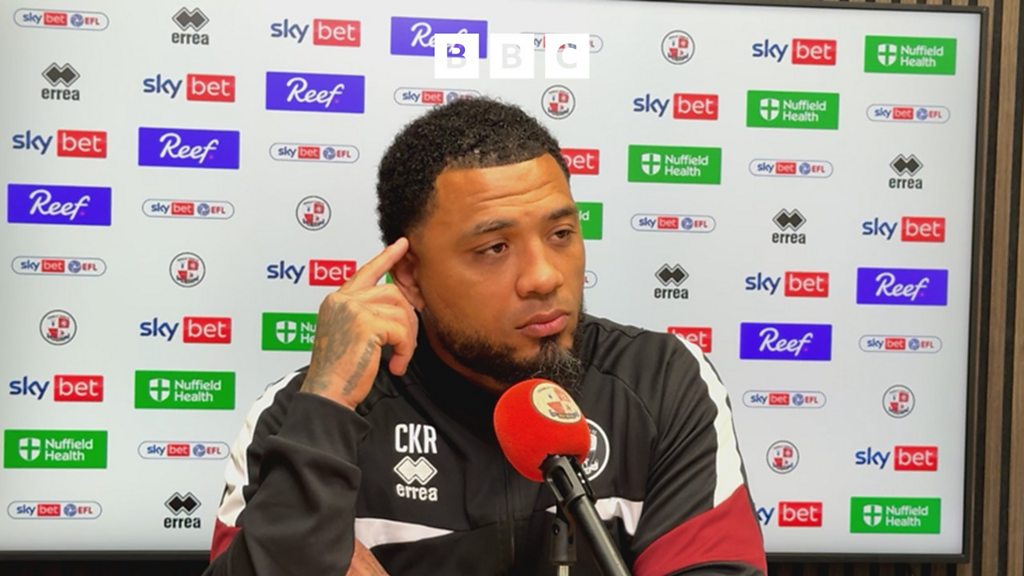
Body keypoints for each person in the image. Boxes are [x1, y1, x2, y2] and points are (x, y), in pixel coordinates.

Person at [204, 97, 766, 575]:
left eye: (561, 233)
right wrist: (326, 404)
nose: (544, 277)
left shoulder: (661, 382)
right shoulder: (301, 416)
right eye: (495, 248)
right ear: (410, 276)